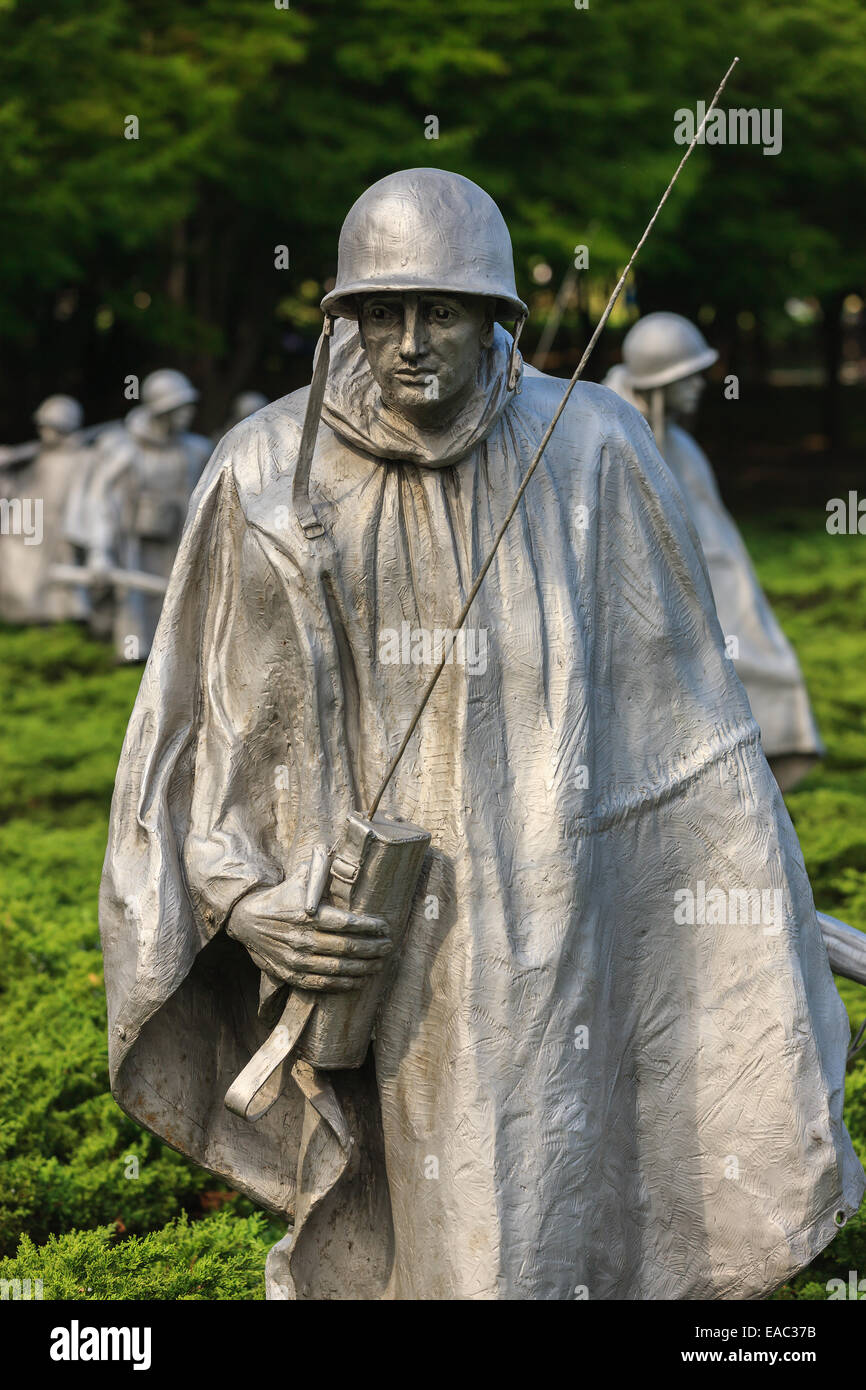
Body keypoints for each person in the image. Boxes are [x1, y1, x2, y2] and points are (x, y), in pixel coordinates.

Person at [101, 169, 863, 1301]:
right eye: (379, 311)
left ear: (499, 319)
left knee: (552, 1220)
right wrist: (247, 905)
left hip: (564, 941)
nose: (409, 343)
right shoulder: (264, 471)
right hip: (374, 956)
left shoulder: (595, 448)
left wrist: (750, 910)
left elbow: (694, 747)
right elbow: (192, 750)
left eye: (442, 311)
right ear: (343, 317)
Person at [605, 312, 823, 791]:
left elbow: (722, 554)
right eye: (689, 378)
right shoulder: (610, 440)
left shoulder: (681, 447)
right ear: (662, 383)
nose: (702, 386)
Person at [83, 369, 211, 659]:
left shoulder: (195, 450)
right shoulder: (123, 450)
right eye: (180, 407)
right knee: (135, 623)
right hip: (133, 548)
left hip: (177, 546)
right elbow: (102, 503)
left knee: (180, 623)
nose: (188, 412)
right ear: (161, 410)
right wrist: (99, 552)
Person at [0, 394, 91, 623]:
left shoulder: (83, 458)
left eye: (52, 427)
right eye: (44, 427)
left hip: (63, 526)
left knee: (59, 594)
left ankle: (60, 621)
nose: (45, 433)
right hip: (34, 525)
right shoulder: (35, 458)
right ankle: (23, 616)